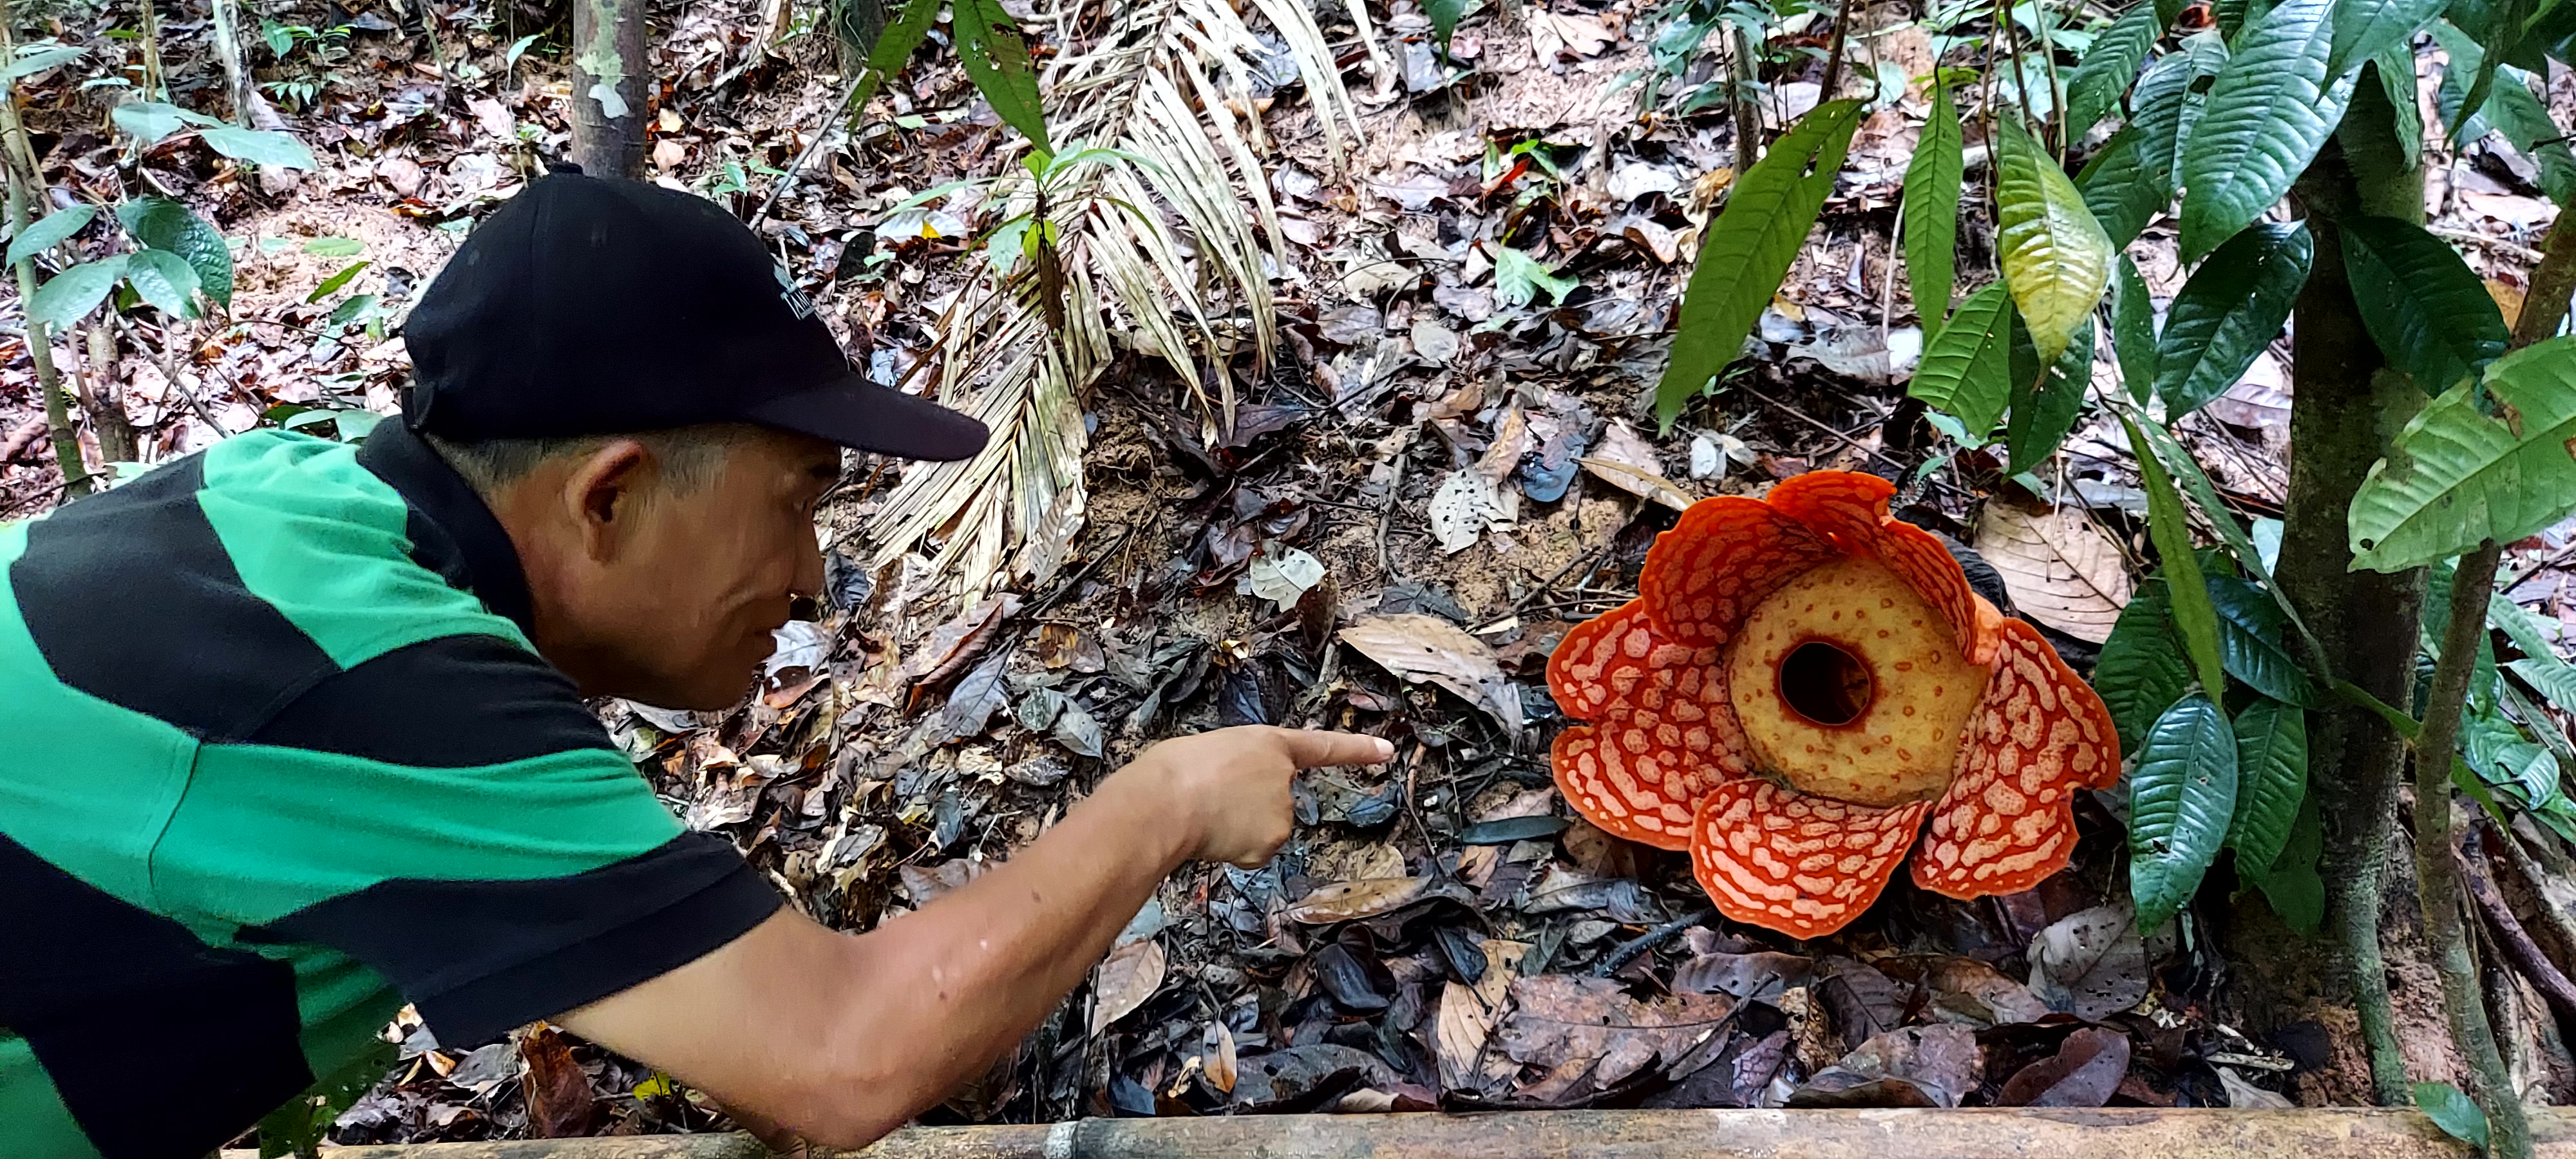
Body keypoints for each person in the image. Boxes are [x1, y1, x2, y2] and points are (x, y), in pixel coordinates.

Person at [0, 170, 1390, 1159]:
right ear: (606, 497)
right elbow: (840, 1059)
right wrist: (1165, 803)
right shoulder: (365, 678)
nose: (808, 576)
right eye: (794, 499)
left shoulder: (285, 508)